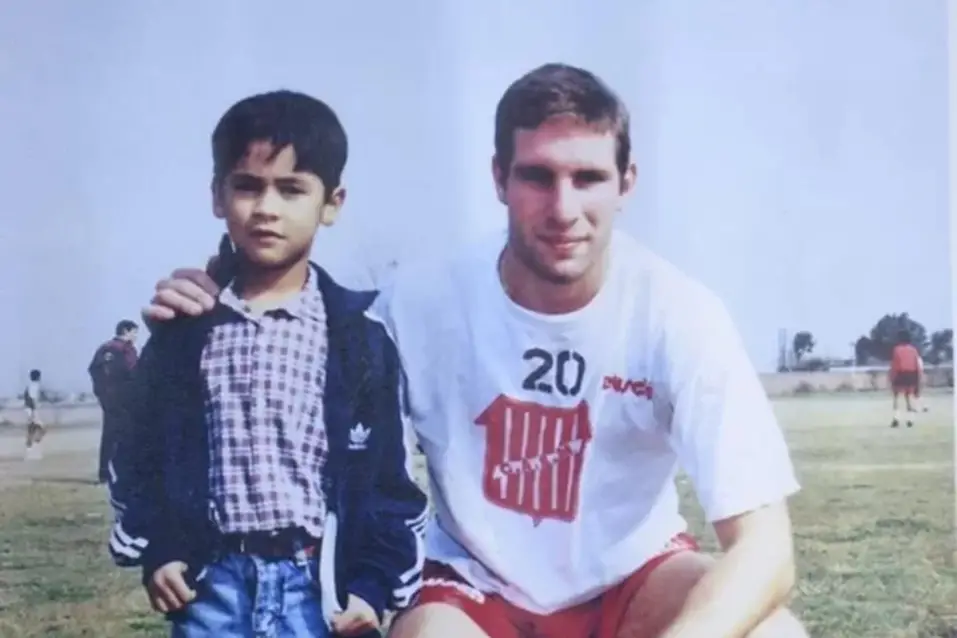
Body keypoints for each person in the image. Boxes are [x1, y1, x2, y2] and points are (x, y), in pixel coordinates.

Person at [141, 65, 807, 638]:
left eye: (588, 177)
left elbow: (766, 550)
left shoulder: (677, 313)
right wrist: (211, 294)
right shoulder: (418, 302)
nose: (563, 207)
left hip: (630, 579)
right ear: (498, 178)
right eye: (537, 176)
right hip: (469, 588)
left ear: (625, 183)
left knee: (771, 632)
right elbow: (293, 322)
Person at [108, 89, 427, 638]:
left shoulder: (359, 339)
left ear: (332, 203)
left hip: (319, 592)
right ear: (217, 195)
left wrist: (372, 589)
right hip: (211, 591)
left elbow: (387, 482)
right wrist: (159, 549)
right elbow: (137, 456)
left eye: (292, 189)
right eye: (248, 186)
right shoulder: (183, 332)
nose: (267, 208)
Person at [87, 319, 139, 482]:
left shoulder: (104, 348)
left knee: (109, 435)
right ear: (126, 331)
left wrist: (101, 392)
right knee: (127, 435)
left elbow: (93, 369)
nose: (136, 336)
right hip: (125, 399)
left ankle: (104, 472)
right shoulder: (125, 349)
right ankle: (124, 472)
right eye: (134, 332)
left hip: (108, 400)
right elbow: (133, 371)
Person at [889, 330, 924, 428]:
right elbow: (917, 364)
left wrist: (892, 377)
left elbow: (895, 364)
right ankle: (910, 419)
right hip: (912, 374)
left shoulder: (897, 349)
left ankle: (896, 418)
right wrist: (918, 377)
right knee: (909, 397)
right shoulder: (913, 350)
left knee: (897, 397)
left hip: (901, 373)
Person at [23, 369, 45, 461]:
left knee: (34, 429)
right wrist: (33, 412)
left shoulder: (30, 386)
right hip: (33, 410)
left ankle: (31, 448)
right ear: (38, 377)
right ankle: (31, 448)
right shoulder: (35, 386)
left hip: (30, 410)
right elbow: (32, 399)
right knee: (38, 429)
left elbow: (27, 398)